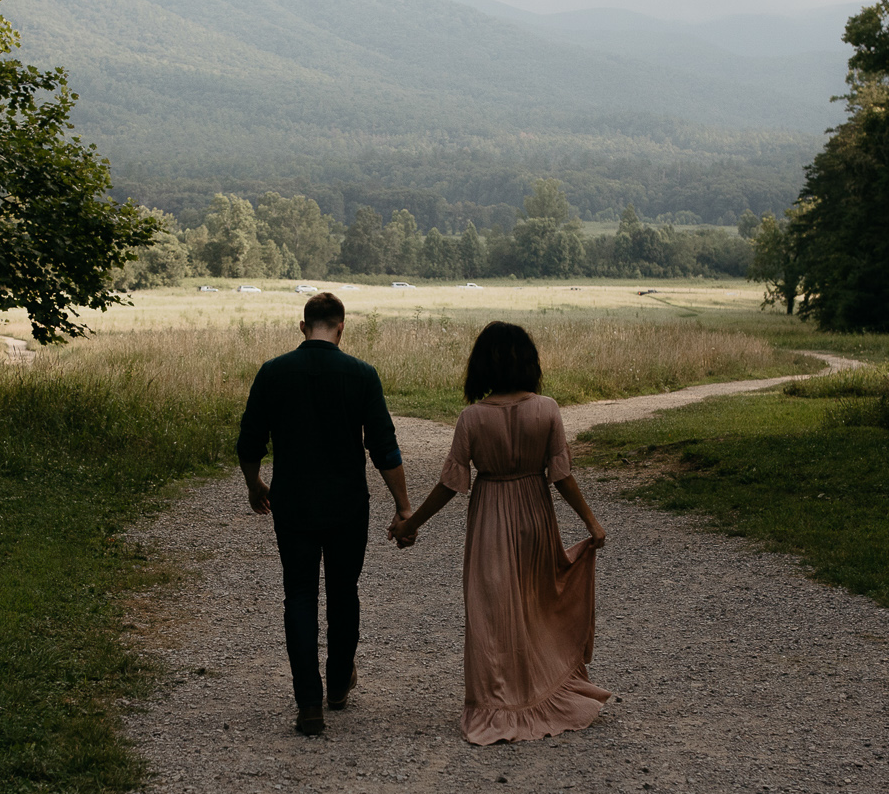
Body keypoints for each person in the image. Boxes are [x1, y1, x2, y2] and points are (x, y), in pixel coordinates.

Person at [390, 321, 612, 744]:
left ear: (482, 366)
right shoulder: (547, 409)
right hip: (535, 514)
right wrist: (590, 522)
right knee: (535, 602)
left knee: (491, 612)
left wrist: (410, 524)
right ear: (529, 362)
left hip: (492, 516)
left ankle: (497, 701)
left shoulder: (472, 418)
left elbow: (451, 485)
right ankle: (536, 691)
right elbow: (561, 475)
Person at [237, 292, 412, 736]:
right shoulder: (361, 375)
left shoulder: (274, 373)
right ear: (341, 327)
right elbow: (384, 447)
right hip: (347, 504)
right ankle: (337, 684)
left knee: (298, 594)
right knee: (343, 591)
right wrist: (403, 504)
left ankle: (308, 703)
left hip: (292, 503)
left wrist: (254, 482)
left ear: (302, 327)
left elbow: (250, 439)